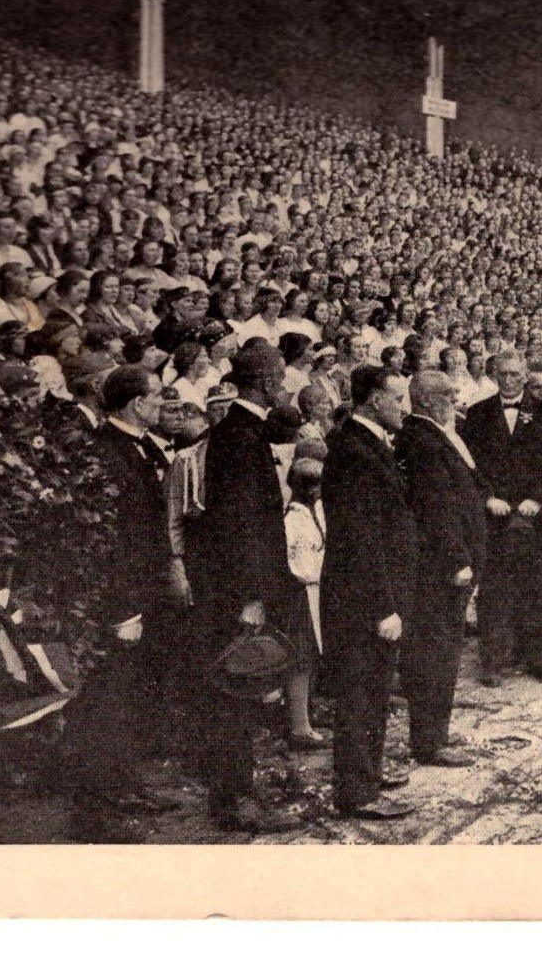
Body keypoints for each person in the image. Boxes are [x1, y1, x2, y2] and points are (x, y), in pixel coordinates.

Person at [184, 344, 303, 833]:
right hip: (239, 590)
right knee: (235, 690)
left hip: (244, 584)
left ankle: (240, 788)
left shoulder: (241, 429)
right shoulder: (240, 436)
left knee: (246, 689)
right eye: (281, 378)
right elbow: (239, 524)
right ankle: (233, 800)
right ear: (270, 380)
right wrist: (251, 595)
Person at [61, 366, 174, 843]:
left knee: (133, 698)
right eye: (157, 398)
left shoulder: (142, 445)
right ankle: (95, 811)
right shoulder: (107, 450)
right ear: (134, 404)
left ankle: (125, 785)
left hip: (147, 592)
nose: (163, 406)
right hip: (121, 598)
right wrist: (123, 609)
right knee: (106, 702)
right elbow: (115, 540)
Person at [322, 365, 419, 819]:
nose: (404, 408)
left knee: (374, 690)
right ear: (375, 400)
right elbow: (361, 539)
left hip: (372, 591)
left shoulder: (366, 444)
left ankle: (366, 774)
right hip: (363, 598)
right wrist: (384, 606)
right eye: (398, 399)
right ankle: (356, 791)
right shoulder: (355, 450)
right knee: (361, 691)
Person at [394, 370, 491, 765]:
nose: (457, 402)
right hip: (440, 568)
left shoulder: (436, 435)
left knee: (443, 651)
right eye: (450, 396)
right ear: (430, 401)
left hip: (448, 563)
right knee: (436, 651)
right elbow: (436, 506)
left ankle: (436, 734)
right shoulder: (422, 440)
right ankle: (430, 741)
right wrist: (456, 559)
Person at [460, 352, 542, 685]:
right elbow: (470, 465)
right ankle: (493, 661)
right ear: (495, 375)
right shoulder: (477, 415)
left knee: (536, 586)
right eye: (503, 374)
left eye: (515, 374)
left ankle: (538, 658)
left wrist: (537, 499)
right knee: (494, 589)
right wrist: (487, 498)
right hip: (494, 516)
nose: (509, 380)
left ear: (525, 376)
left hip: (532, 516)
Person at [283, 457, 329, 752]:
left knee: (312, 656)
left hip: (317, 592)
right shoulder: (292, 520)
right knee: (301, 658)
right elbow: (298, 564)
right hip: (302, 594)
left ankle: (307, 714)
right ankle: (298, 726)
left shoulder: (315, 514)